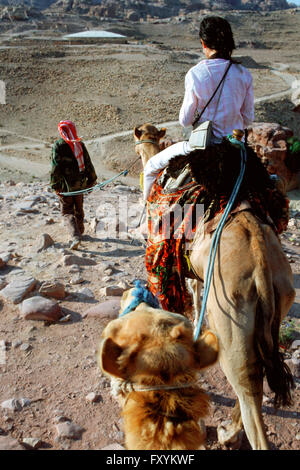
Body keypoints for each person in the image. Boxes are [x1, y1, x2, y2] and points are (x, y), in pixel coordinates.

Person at [143, 16, 254, 201]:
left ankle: (146, 219)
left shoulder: (196, 73)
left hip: (204, 146)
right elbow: (248, 118)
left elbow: (185, 120)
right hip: (236, 148)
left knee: (150, 168)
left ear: (203, 43)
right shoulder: (244, 73)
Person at [50, 120, 97, 250]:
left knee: (66, 211)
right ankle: (80, 231)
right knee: (79, 207)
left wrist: (55, 185)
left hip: (66, 186)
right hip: (80, 184)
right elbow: (88, 163)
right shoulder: (79, 144)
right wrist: (91, 181)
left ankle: (75, 236)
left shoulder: (59, 145)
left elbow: (55, 167)